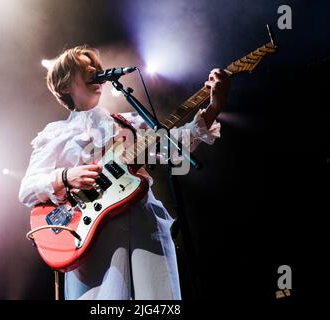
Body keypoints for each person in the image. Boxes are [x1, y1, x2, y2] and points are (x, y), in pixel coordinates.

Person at [18, 45, 230, 300]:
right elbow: (28, 189)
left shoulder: (127, 123)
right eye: (84, 69)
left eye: (96, 68)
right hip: (90, 235)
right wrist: (65, 177)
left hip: (144, 224)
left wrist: (214, 106)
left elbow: (175, 147)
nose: (95, 71)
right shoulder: (55, 134)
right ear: (64, 86)